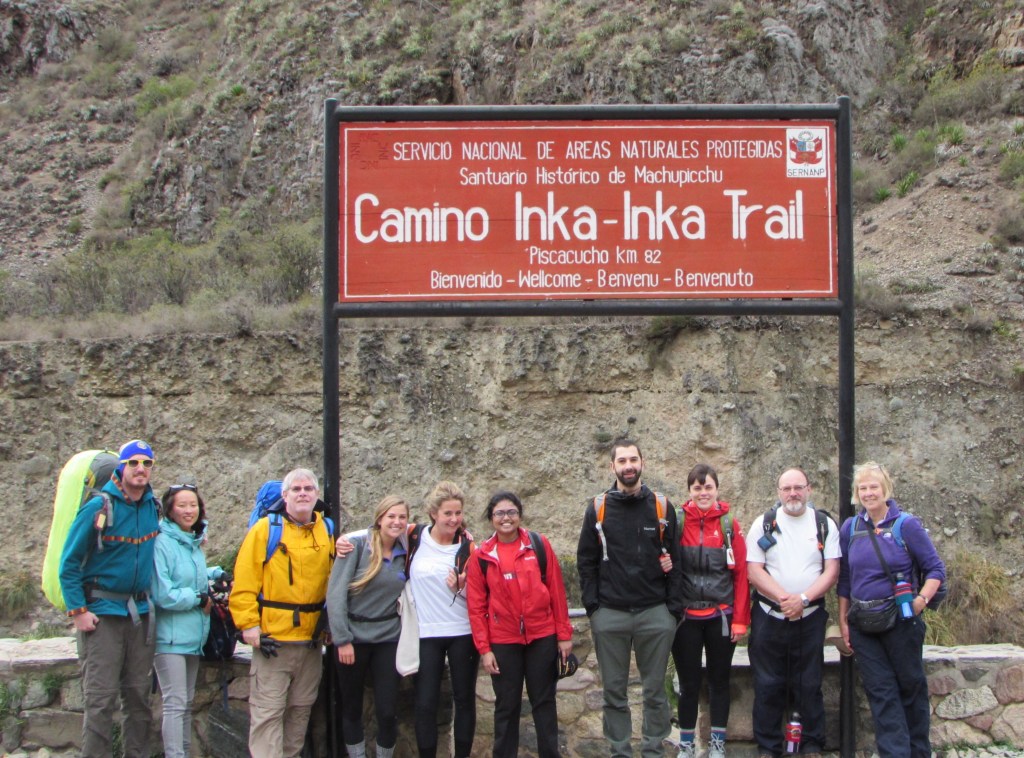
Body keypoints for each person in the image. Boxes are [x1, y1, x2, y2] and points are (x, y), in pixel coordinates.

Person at [576, 439, 682, 758]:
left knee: (654, 692)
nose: (628, 466)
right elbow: (586, 560)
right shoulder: (598, 507)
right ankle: (619, 751)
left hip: (655, 612)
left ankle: (653, 749)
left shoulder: (662, 507)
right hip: (611, 613)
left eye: (633, 459)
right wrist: (594, 608)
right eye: (622, 461)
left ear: (642, 462)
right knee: (614, 692)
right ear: (613, 467)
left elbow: (676, 559)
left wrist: (672, 610)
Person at [59, 439, 161, 758]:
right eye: (133, 463)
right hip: (102, 615)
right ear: (121, 466)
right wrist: (78, 611)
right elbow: (69, 563)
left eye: (147, 463)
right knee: (100, 702)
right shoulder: (99, 506)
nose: (140, 469)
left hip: (140, 615)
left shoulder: (152, 506)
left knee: (139, 700)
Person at [837, 462, 945, 758]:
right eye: (863, 488)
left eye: (874, 487)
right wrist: (843, 620)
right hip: (863, 624)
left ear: (886, 489)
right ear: (857, 494)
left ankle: (918, 752)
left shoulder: (905, 525)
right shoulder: (851, 527)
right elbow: (845, 578)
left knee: (910, 687)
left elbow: (935, 569)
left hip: (901, 621)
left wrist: (920, 601)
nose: (869, 493)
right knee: (881, 693)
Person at [229, 468, 333, 758]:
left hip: (310, 642)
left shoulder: (327, 531)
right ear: (285, 496)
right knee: (267, 714)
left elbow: (333, 582)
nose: (303, 493)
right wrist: (249, 625)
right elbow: (245, 581)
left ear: (316, 495)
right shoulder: (265, 530)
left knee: (299, 712)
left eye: (308, 489)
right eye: (296, 489)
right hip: (273, 641)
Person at [466, 491, 573, 758]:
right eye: (499, 513)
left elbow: (557, 592)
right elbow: (476, 607)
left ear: (520, 515)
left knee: (545, 704)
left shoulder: (538, 545)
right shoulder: (481, 556)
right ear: (491, 518)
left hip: (542, 636)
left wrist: (563, 635)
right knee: (506, 707)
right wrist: (484, 649)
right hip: (503, 642)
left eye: (511, 512)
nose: (506, 518)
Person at [745, 467, 839, 758]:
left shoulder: (823, 524)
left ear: (809, 489)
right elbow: (753, 569)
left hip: (808, 618)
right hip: (768, 616)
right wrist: (785, 598)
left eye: (798, 487)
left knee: (809, 682)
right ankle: (768, 747)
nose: (793, 494)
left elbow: (832, 569)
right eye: (787, 489)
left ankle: (811, 744)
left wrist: (803, 598)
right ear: (779, 493)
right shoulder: (764, 523)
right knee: (767, 683)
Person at [668, 463, 750, 758]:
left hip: (721, 617)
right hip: (686, 618)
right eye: (697, 488)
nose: (703, 493)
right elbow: (666, 567)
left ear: (717, 489)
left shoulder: (730, 526)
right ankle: (687, 745)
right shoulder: (677, 523)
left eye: (708, 487)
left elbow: (741, 575)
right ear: (689, 491)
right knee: (688, 684)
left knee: (719, 682)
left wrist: (741, 620)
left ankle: (718, 744)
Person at [327, 495, 410, 758]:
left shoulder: (407, 549)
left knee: (387, 711)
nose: (396, 522)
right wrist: (342, 639)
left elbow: (439, 530)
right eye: (391, 517)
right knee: (352, 708)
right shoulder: (356, 546)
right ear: (379, 518)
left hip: (388, 638)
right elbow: (336, 593)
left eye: (402, 517)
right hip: (354, 638)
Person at [151, 483, 230, 758]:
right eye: (182, 505)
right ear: (170, 510)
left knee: (184, 703)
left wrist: (214, 573)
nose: (189, 510)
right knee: (174, 703)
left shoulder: (192, 542)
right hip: (169, 637)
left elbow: (189, 576)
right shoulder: (162, 543)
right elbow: (163, 593)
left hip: (192, 635)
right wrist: (198, 597)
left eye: (193, 505)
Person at [409, 482, 480, 758]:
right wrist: (344, 541)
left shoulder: (469, 546)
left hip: (462, 631)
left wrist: (461, 587)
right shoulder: (414, 536)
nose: (454, 519)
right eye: (448, 513)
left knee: (464, 700)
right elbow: (380, 532)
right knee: (425, 703)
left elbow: (480, 594)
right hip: (426, 632)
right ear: (434, 513)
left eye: (458, 513)